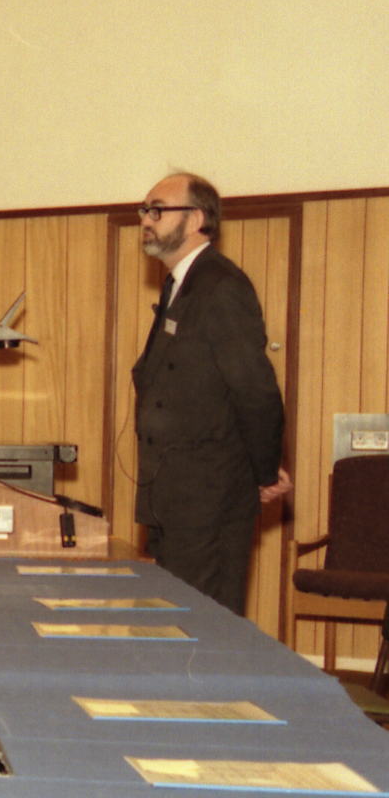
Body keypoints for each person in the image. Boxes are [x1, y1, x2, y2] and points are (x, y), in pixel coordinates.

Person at [132, 172, 289, 611]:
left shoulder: (221, 286)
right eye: (144, 210)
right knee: (168, 624)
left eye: (157, 210)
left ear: (197, 219)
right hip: (171, 496)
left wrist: (265, 473)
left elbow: (256, 390)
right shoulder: (180, 284)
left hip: (209, 499)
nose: (146, 220)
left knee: (202, 627)